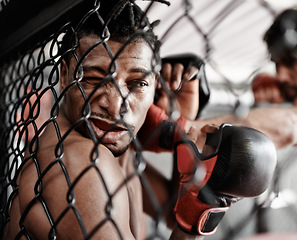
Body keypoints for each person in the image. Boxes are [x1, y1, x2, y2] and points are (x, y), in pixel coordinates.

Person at [4, 2, 277, 240]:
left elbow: (171, 213)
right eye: (93, 78)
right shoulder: (82, 162)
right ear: (65, 75)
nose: (114, 105)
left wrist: (186, 127)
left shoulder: (115, 152)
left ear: (155, 85)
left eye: (137, 83)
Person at [189, 7, 297, 240]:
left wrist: (187, 127)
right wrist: (271, 86)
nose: (281, 75)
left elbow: (292, 125)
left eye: (292, 63)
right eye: (277, 64)